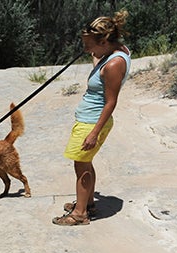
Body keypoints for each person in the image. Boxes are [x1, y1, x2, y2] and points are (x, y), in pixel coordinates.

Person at [53, 10, 131, 226]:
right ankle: (87, 203)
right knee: (85, 163)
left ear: (104, 40)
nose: (86, 49)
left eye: (89, 45)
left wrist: (94, 132)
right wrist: (96, 56)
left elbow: (111, 102)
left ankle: (80, 214)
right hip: (89, 119)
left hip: (93, 122)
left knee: (81, 165)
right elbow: (100, 69)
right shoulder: (115, 52)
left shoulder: (114, 64)